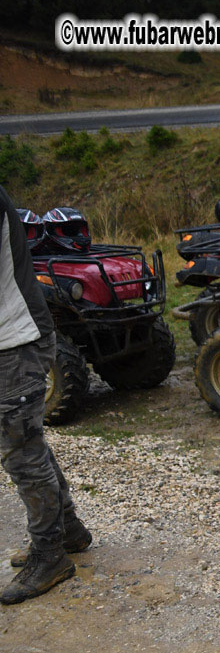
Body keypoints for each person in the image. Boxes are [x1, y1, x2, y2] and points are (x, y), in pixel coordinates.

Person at [0, 185, 92, 604]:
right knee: (28, 443)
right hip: (18, 337)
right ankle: (67, 531)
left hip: (15, 342)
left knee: (22, 453)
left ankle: (49, 554)